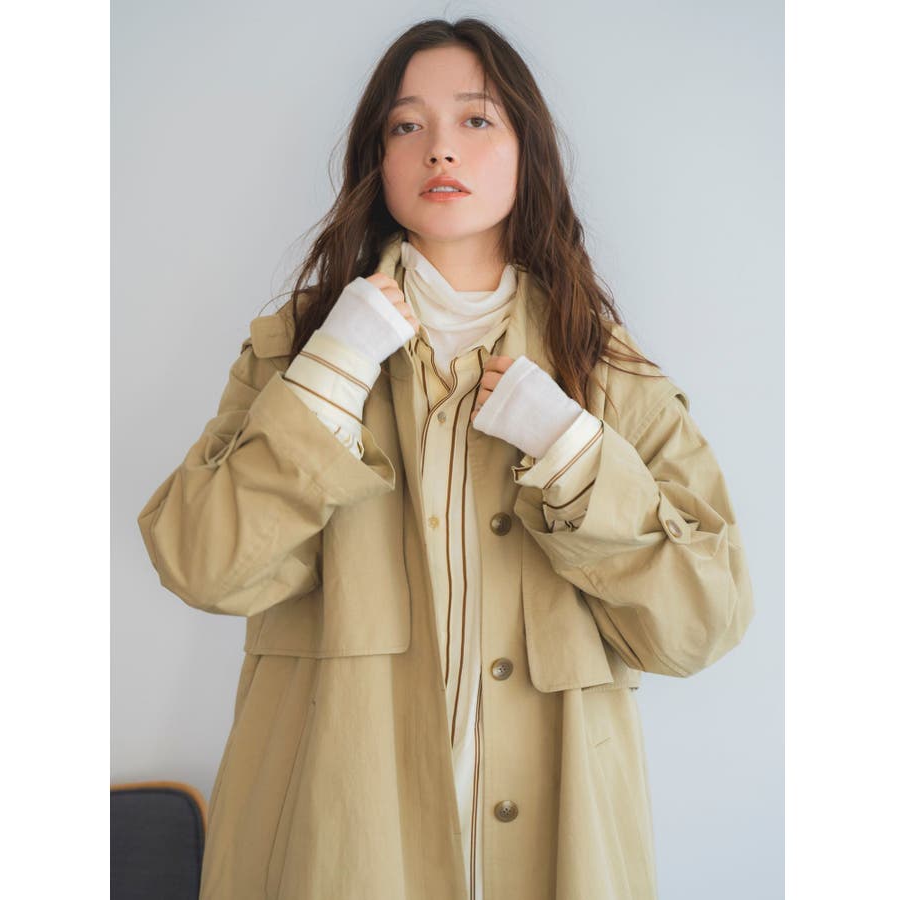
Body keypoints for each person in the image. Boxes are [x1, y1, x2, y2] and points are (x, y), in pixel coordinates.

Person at [137, 16, 754, 900]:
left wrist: (573, 450)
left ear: (527, 151)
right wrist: (335, 368)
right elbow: (200, 563)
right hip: (337, 850)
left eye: (475, 118)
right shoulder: (298, 349)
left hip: (559, 853)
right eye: (407, 125)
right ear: (379, 160)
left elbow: (704, 621)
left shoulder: (602, 366)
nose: (439, 148)